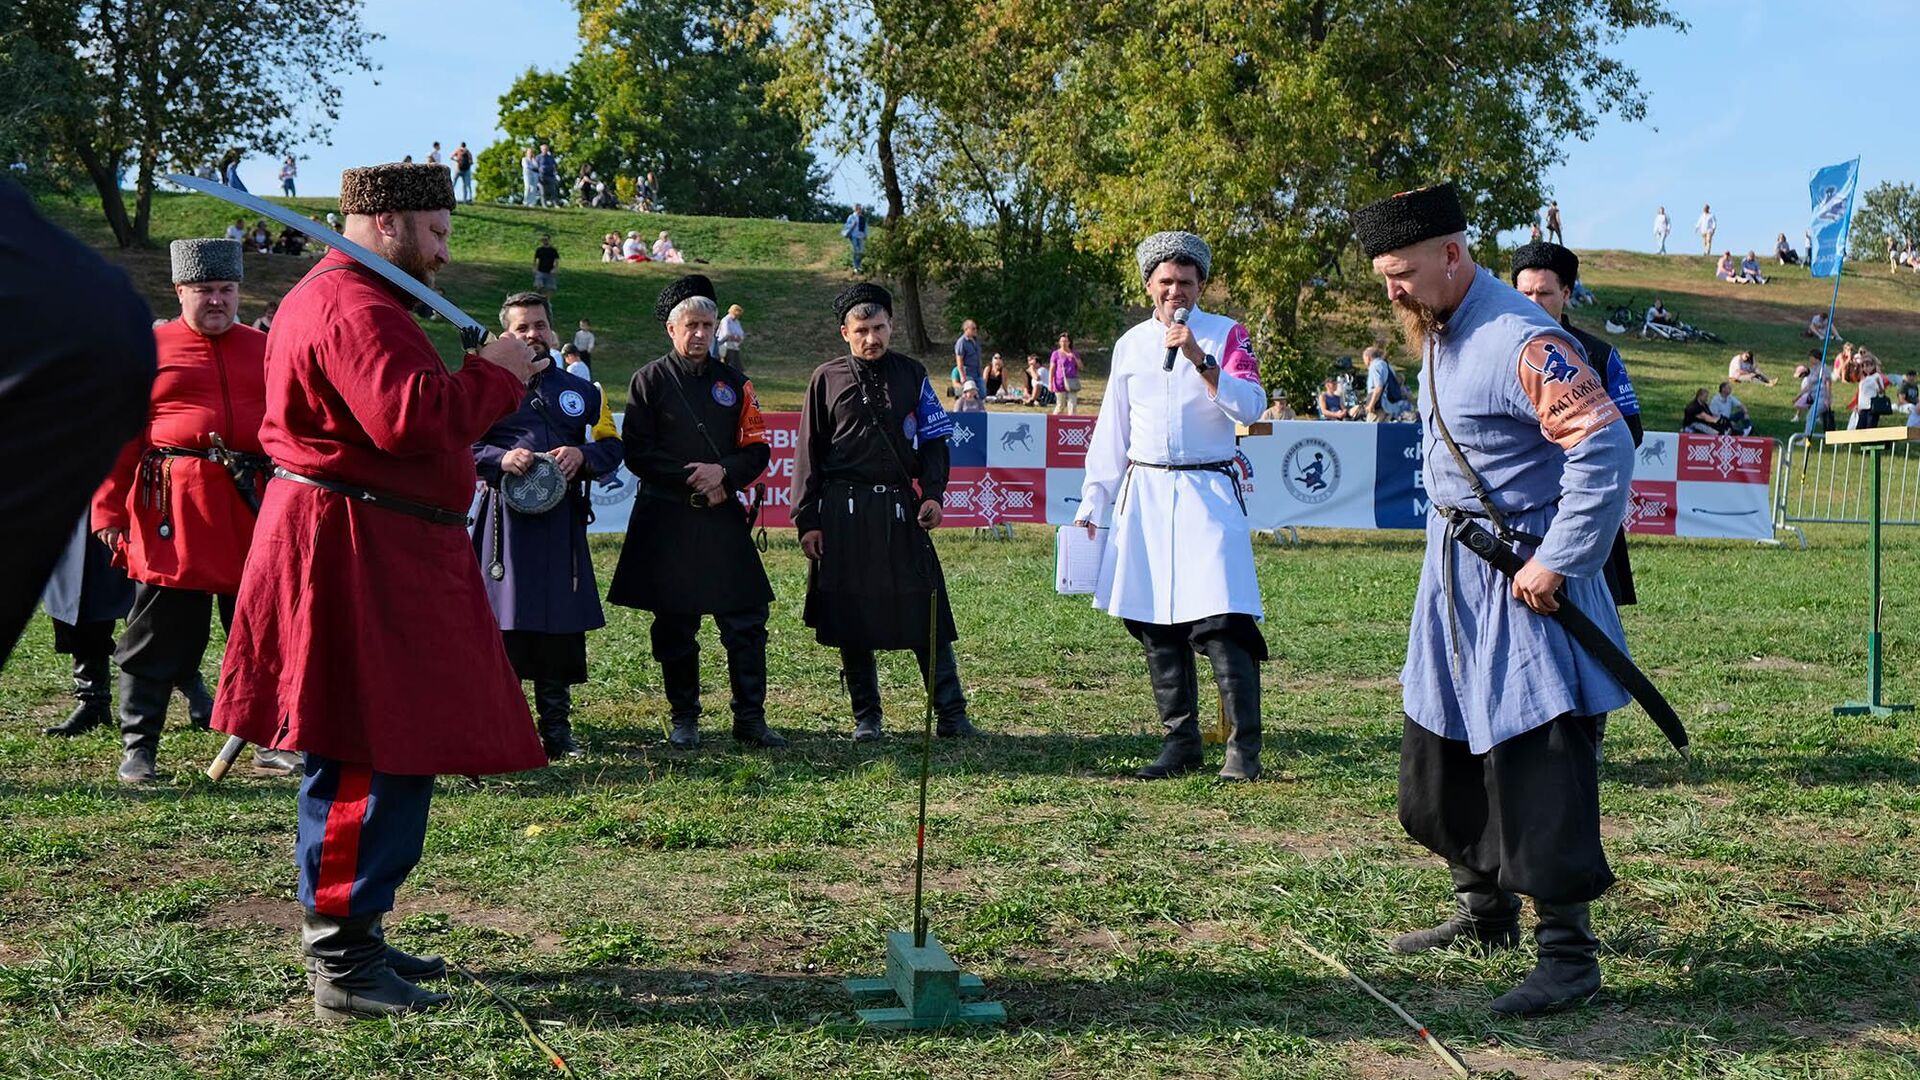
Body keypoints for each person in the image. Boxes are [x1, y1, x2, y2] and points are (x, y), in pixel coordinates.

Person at [212, 162, 548, 1020]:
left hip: (375, 538)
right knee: (365, 741)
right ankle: (344, 963)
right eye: (435, 229)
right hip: (354, 542)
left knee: (389, 738)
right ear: (389, 223)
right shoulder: (351, 305)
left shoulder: (362, 300)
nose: (443, 245)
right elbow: (410, 418)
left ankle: (357, 929)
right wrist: (502, 373)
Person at [1355, 184, 1634, 1017]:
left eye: (1402, 273)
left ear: (1452, 254)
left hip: (1524, 582)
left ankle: (1569, 958)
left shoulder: (1520, 338)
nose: (1393, 291)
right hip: (1455, 580)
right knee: (1440, 760)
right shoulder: (1438, 324)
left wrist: (1557, 560)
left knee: (1537, 763)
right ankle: (1486, 915)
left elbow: (1605, 446)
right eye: (1383, 278)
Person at [91, 239, 296, 783]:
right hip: (173, 511)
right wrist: (108, 512)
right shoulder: (148, 350)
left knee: (263, 633)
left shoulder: (265, 348)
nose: (217, 300)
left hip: (253, 507)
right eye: (204, 290)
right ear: (180, 291)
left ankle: (269, 740)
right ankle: (140, 749)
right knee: (156, 633)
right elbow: (120, 436)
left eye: (226, 290)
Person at [1072, 230, 1268, 783]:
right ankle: (1180, 742)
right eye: (1165, 282)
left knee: (1223, 620)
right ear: (1148, 287)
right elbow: (1114, 428)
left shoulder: (1228, 335)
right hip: (1148, 495)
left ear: (1201, 284)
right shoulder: (1130, 344)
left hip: (1208, 493)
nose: (1175, 291)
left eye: (1185, 281)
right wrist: (1095, 498)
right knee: (1155, 620)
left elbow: (1250, 406)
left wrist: (1201, 360)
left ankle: (1242, 752)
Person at [605, 275, 788, 750]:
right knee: (674, 623)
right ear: (672, 329)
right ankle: (684, 717)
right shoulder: (648, 380)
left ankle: (750, 718)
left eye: (708, 325)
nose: (701, 334)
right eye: (692, 325)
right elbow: (637, 453)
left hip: (721, 514)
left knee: (746, 618)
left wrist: (722, 474)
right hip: (668, 517)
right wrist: (695, 476)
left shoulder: (735, 383)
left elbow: (758, 450)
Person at [792, 282, 979, 741]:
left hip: (901, 508)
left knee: (926, 606)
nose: (871, 338)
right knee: (852, 615)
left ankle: (951, 715)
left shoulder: (913, 374)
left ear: (892, 327)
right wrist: (808, 520)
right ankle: (867, 719)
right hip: (843, 513)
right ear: (845, 332)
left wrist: (933, 493)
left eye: (879, 328)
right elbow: (808, 453)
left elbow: (935, 438)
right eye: (862, 330)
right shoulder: (825, 378)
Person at [473, 292, 625, 759]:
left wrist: (583, 456)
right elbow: (458, 446)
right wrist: (501, 458)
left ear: (552, 332)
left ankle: (557, 732)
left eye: (539, 326)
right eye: (522, 328)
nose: (532, 335)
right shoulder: (484, 386)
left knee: (559, 624)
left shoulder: (583, 392)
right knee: (506, 627)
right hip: (504, 528)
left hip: (561, 524)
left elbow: (613, 448)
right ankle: (506, 733)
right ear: (506, 335)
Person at [1511, 241, 1645, 608]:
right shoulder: (1497, 352)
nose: (1533, 303)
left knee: (1594, 629)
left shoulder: (1599, 354)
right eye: (1524, 293)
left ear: (1566, 294)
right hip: (1519, 517)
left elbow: (1630, 433)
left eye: (1544, 293)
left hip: (1581, 506)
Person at [1364, 345, 1411, 420]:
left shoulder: (1374, 366)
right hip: (1390, 406)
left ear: (1368, 357)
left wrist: (1371, 405)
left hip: (1379, 406)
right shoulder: (1387, 366)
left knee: (1371, 430)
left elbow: (1378, 388)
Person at [1852, 357, 1889, 431]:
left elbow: (1881, 392)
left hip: (1871, 407)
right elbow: (1861, 393)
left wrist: (1878, 384)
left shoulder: (1876, 376)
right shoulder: (1863, 379)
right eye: (1864, 366)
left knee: (1870, 428)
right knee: (1860, 428)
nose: (1866, 368)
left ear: (1873, 366)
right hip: (1862, 407)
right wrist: (1857, 405)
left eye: (1868, 366)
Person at [1050, 334, 1082, 415]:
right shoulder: (1056, 354)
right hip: (1059, 382)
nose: (1064, 343)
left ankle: (1071, 423)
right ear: (1059, 342)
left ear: (1069, 342)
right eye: (1062, 341)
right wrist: (1050, 383)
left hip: (1072, 383)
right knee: (1060, 405)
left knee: (1072, 405)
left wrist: (1074, 357)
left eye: (1066, 341)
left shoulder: (1074, 353)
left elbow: (1081, 367)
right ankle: (1053, 422)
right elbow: (1052, 368)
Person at [953, 319, 983, 389]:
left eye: (976, 328)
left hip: (977, 373)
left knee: (982, 394)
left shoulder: (976, 341)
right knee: (971, 394)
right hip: (968, 374)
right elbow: (959, 361)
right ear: (966, 329)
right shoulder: (961, 342)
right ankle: (957, 391)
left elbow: (978, 357)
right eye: (973, 329)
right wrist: (962, 376)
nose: (976, 330)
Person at [717, 304, 746, 371]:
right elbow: (726, 333)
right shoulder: (725, 320)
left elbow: (741, 333)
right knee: (730, 364)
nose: (737, 316)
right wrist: (734, 338)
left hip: (734, 346)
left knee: (737, 366)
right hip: (724, 345)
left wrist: (739, 338)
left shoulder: (737, 322)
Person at [843, 203, 869, 272]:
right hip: (853, 236)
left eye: (860, 209)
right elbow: (847, 225)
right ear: (855, 209)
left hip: (861, 236)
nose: (859, 210)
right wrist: (853, 224)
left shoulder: (862, 218)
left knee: (861, 252)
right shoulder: (851, 217)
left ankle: (859, 265)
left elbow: (865, 227)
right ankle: (855, 266)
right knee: (856, 251)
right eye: (858, 209)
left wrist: (866, 235)